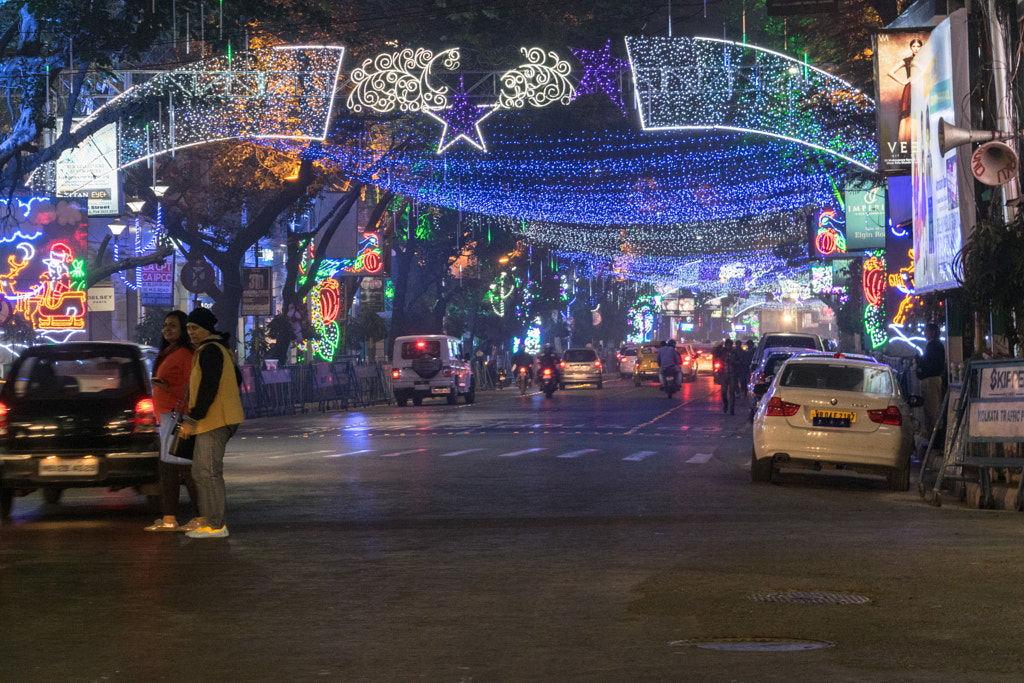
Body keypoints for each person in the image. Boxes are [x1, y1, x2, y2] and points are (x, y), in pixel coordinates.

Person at [177, 307, 244, 539]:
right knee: (200, 472)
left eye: (195, 328)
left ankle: (216, 525)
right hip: (212, 419)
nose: (191, 333)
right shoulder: (216, 349)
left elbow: (208, 386)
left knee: (208, 472)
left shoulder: (211, 351)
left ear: (206, 328)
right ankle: (207, 521)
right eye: (188, 329)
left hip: (215, 420)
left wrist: (193, 417)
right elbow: (237, 377)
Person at [145, 310, 199, 532]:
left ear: (183, 330)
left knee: (181, 468)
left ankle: (197, 517)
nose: (167, 329)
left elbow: (192, 386)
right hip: (169, 415)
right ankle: (170, 517)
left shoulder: (185, 354)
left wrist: (169, 388)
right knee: (171, 468)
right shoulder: (168, 352)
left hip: (179, 415)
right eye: (165, 325)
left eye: (173, 326)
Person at [888, 38, 923, 144]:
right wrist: (903, 82)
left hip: (922, 88)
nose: (916, 49)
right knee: (908, 115)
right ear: (911, 48)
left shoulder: (926, 60)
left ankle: (919, 140)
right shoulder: (907, 60)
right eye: (914, 46)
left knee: (921, 114)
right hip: (910, 89)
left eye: (918, 46)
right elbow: (891, 72)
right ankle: (906, 141)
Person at [916, 322, 946, 438]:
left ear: (933, 332)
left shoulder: (933, 346)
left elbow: (932, 363)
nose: (925, 333)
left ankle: (934, 436)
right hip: (934, 378)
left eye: (927, 331)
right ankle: (933, 435)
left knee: (932, 409)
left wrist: (921, 367)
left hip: (931, 380)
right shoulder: (936, 345)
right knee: (933, 408)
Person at [719, 338, 740, 415]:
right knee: (723, 392)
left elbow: (739, 362)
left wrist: (733, 362)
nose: (728, 346)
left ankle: (731, 408)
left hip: (732, 374)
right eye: (727, 345)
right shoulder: (722, 352)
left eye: (729, 345)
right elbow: (718, 360)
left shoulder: (734, 352)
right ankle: (725, 404)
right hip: (724, 374)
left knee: (732, 392)